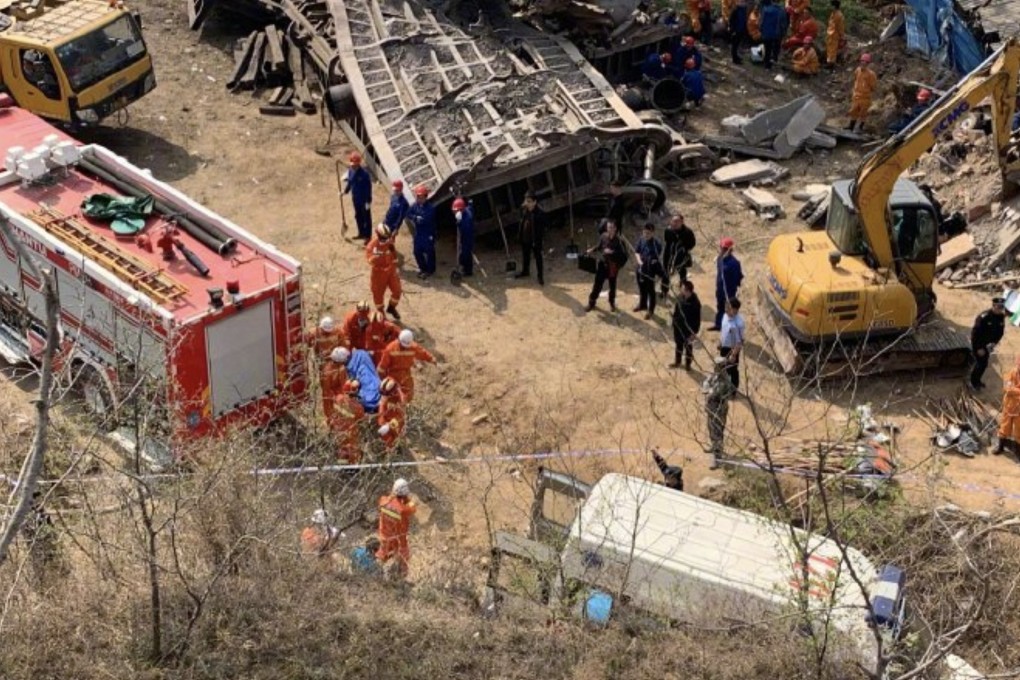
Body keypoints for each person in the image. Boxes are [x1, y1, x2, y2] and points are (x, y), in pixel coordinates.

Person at [378, 329, 436, 403]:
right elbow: (382, 367)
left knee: (408, 394)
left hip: (406, 375)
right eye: (402, 346)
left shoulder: (413, 347)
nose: (404, 348)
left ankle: (405, 408)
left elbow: (422, 353)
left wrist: (431, 359)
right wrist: (384, 380)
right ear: (399, 340)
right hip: (393, 375)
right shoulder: (390, 349)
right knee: (392, 395)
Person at [376, 478, 417, 578]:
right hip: (398, 539)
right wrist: (407, 499)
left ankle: (376, 573)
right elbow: (413, 507)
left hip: (384, 536)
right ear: (405, 493)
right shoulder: (403, 509)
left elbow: (388, 498)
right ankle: (401, 579)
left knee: (382, 555)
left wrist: (393, 495)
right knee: (404, 558)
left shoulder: (383, 501)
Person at [585, 221, 627, 313]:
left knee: (612, 286)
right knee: (597, 285)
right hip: (602, 265)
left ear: (615, 228)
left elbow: (624, 257)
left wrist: (612, 252)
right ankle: (591, 302)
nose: (610, 230)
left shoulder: (620, 242)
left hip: (613, 267)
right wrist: (592, 250)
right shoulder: (603, 236)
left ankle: (612, 303)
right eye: (608, 227)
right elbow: (599, 246)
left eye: (612, 227)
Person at [704, 356, 735, 469]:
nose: (715, 368)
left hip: (719, 410)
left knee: (717, 432)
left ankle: (717, 458)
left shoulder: (726, 380)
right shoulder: (715, 376)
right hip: (711, 408)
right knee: (711, 428)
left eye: (718, 366)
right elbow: (706, 382)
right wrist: (707, 389)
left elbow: (716, 392)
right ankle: (714, 446)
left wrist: (709, 391)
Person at [366, 224, 402, 320]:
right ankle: (381, 313)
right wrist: (376, 256)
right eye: (384, 238)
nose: (386, 240)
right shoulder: (371, 246)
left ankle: (391, 308)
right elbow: (369, 260)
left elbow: (393, 253)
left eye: (387, 238)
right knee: (378, 296)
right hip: (378, 274)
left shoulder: (389, 241)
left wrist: (395, 264)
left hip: (391, 271)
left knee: (397, 291)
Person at [970, 297, 1007, 390]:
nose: (1000, 309)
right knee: (980, 364)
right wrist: (978, 348)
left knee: (984, 364)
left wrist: (994, 342)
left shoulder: (1001, 317)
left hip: (988, 345)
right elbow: (975, 334)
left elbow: (1000, 332)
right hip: (979, 345)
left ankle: (977, 381)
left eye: (1001, 307)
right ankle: (973, 383)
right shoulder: (984, 317)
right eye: (998, 307)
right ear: (993, 306)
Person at [336, 347, 382, 413]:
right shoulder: (361, 353)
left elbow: (356, 382)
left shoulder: (351, 367)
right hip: (378, 389)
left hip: (369, 399)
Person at [711, 237, 743, 330]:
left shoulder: (734, 263)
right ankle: (718, 325)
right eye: (721, 248)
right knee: (720, 307)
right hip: (720, 290)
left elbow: (738, 277)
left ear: (730, 250)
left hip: (729, 293)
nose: (722, 250)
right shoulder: (719, 259)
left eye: (725, 249)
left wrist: (733, 291)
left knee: (729, 312)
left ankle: (727, 330)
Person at [331, 378, 365, 463]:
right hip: (351, 434)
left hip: (338, 432)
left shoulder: (337, 398)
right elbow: (362, 420)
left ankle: (342, 468)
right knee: (353, 451)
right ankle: (352, 469)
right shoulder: (358, 406)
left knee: (341, 450)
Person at [661, 214, 697, 297]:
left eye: (677, 221)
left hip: (681, 256)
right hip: (669, 254)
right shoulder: (668, 230)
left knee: (682, 272)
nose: (674, 223)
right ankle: (664, 291)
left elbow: (692, 243)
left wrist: (683, 249)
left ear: (682, 222)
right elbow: (667, 241)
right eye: (673, 221)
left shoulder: (688, 232)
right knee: (666, 272)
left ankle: (684, 291)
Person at [633, 223, 663, 319]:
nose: (646, 235)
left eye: (648, 233)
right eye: (644, 233)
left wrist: (648, 262)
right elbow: (637, 252)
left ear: (653, 233)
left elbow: (655, 259)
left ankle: (651, 310)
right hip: (640, 268)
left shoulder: (656, 245)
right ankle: (642, 304)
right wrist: (639, 261)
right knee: (641, 288)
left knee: (650, 290)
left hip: (650, 270)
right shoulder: (641, 240)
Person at [670, 280, 702, 370]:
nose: (681, 290)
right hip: (679, 328)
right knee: (678, 345)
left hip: (688, 330)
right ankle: (677, 361)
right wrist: (674, 322)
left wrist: (694, 333)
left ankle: (688, 364)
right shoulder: (680, 297)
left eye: (683, 288)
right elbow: (676, 310)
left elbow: (697, 320)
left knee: (688, 348)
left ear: (688, 291)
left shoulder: (695, 303)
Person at [407, 184, 437, 279]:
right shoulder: (415, 206)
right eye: (417, 196)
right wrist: (415, 217)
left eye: (420, 196)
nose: (418, 198)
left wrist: (417, 219)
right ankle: (423, 268)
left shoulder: (430, 208)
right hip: (419, 233)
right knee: (417, 252)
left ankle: (430, 270)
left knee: (429, 252)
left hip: (428, 234)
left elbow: (424, 220)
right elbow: (408, 213)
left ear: (425, 197)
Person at [516, 191, 545, 286]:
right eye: (526, 201)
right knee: (525, 256)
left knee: (538, 258)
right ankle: (525, 271)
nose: (526, 203)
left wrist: (537, 241)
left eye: (529, 201)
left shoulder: (539, 214)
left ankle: (540, 276)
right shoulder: (524, 210)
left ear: (534, 202)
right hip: (525, 237)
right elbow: (522, 222)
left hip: (535, 240)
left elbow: (541, 231)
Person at [343, 152, 373, 241]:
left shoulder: (364, 174)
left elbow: (369, 188)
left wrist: (368, 201)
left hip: (364, 200)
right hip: (355, 199)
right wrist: (345, 191)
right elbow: (350, 182)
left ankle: (367, 237)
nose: (353, 166)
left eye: (355, 165)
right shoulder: (350, 171)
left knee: (366, 218)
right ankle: (361, 233)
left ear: (359, 163)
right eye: (352, 164)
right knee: (358, 216)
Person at [846, 54, 877, 132]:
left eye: (865, 62)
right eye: (862, 61)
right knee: (854, 111)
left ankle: (860, 128)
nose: (863, 63)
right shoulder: (857, 70)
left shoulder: (871, 74)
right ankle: (851, 126)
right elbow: (855, 79)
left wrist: (866, 90)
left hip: (865, 97)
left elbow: (873, 87)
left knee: (863, 113)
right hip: (857, 96)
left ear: (868, 63)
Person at [719, 298, 745, 390]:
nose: (726, 309)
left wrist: (734, 355)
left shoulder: (738, 323)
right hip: (724, 347)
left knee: (732, 370)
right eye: (726, 307)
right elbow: (723, 329)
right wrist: (720, 342)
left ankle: (733, 390)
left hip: (732, 350)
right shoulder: (725, 316)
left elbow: (740, 341)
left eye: (728, 308)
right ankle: (723, 387)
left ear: (735, 310)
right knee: (723, 366)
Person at [376, 377, 407, 451]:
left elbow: (400, 418)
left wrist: (389, 425)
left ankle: (392, 448)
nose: (384, 396)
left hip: (396, 419)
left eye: (386, 394)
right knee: (383, 428)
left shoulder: (401, 400)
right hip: (388, 414)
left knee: (393, 434)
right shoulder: (389, 383)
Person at [321, 347, 350, 420]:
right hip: (330, 396)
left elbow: (343, 382)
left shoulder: (341, 367)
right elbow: (326, 390)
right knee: (331, 415)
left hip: (339, 392)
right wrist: (337, 398)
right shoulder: (327, 372)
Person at [760, 0, 785, 68]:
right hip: (776, 33)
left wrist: (761, 30)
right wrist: (783, 33)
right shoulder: (781, 11)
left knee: (767, 48)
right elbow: (782, 24)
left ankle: (766, 62)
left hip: (766, 32)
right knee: (775, 48)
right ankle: (774, 59)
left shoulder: (765, 9)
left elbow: (761, 21)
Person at [453, 197, 475, 277]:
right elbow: (470, 206)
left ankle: (468, 271)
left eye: (456, 210)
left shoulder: (466, 220)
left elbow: (463, 229)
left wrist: (459, 222)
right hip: (466, 237)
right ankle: (464, 268)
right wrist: (470, 202)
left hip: (467, 238)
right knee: (464, 254)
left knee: (465, 255)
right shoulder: (467, 209)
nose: (454, 212)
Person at [825, 0, 845, 67]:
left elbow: (840, 27)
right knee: (829, 48)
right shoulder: (833, 13)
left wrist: (842, 36)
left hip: (835, 34)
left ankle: (831, 63)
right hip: (830, 33)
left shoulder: (839, 15)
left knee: (833, 49)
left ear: (834, 6)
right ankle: (829, 61)